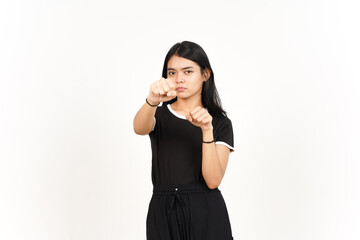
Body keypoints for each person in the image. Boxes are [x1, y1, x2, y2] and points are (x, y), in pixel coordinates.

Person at [133, 41, 235, 240]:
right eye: (172, 73)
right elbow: (139, 128)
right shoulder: (158, 114)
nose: (179, 79)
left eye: (188, 71)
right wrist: (152, 100)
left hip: (205, 211)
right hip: (163, 210)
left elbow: (213, 181)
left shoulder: (220, 123)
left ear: (205, 74)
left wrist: (207, 130)